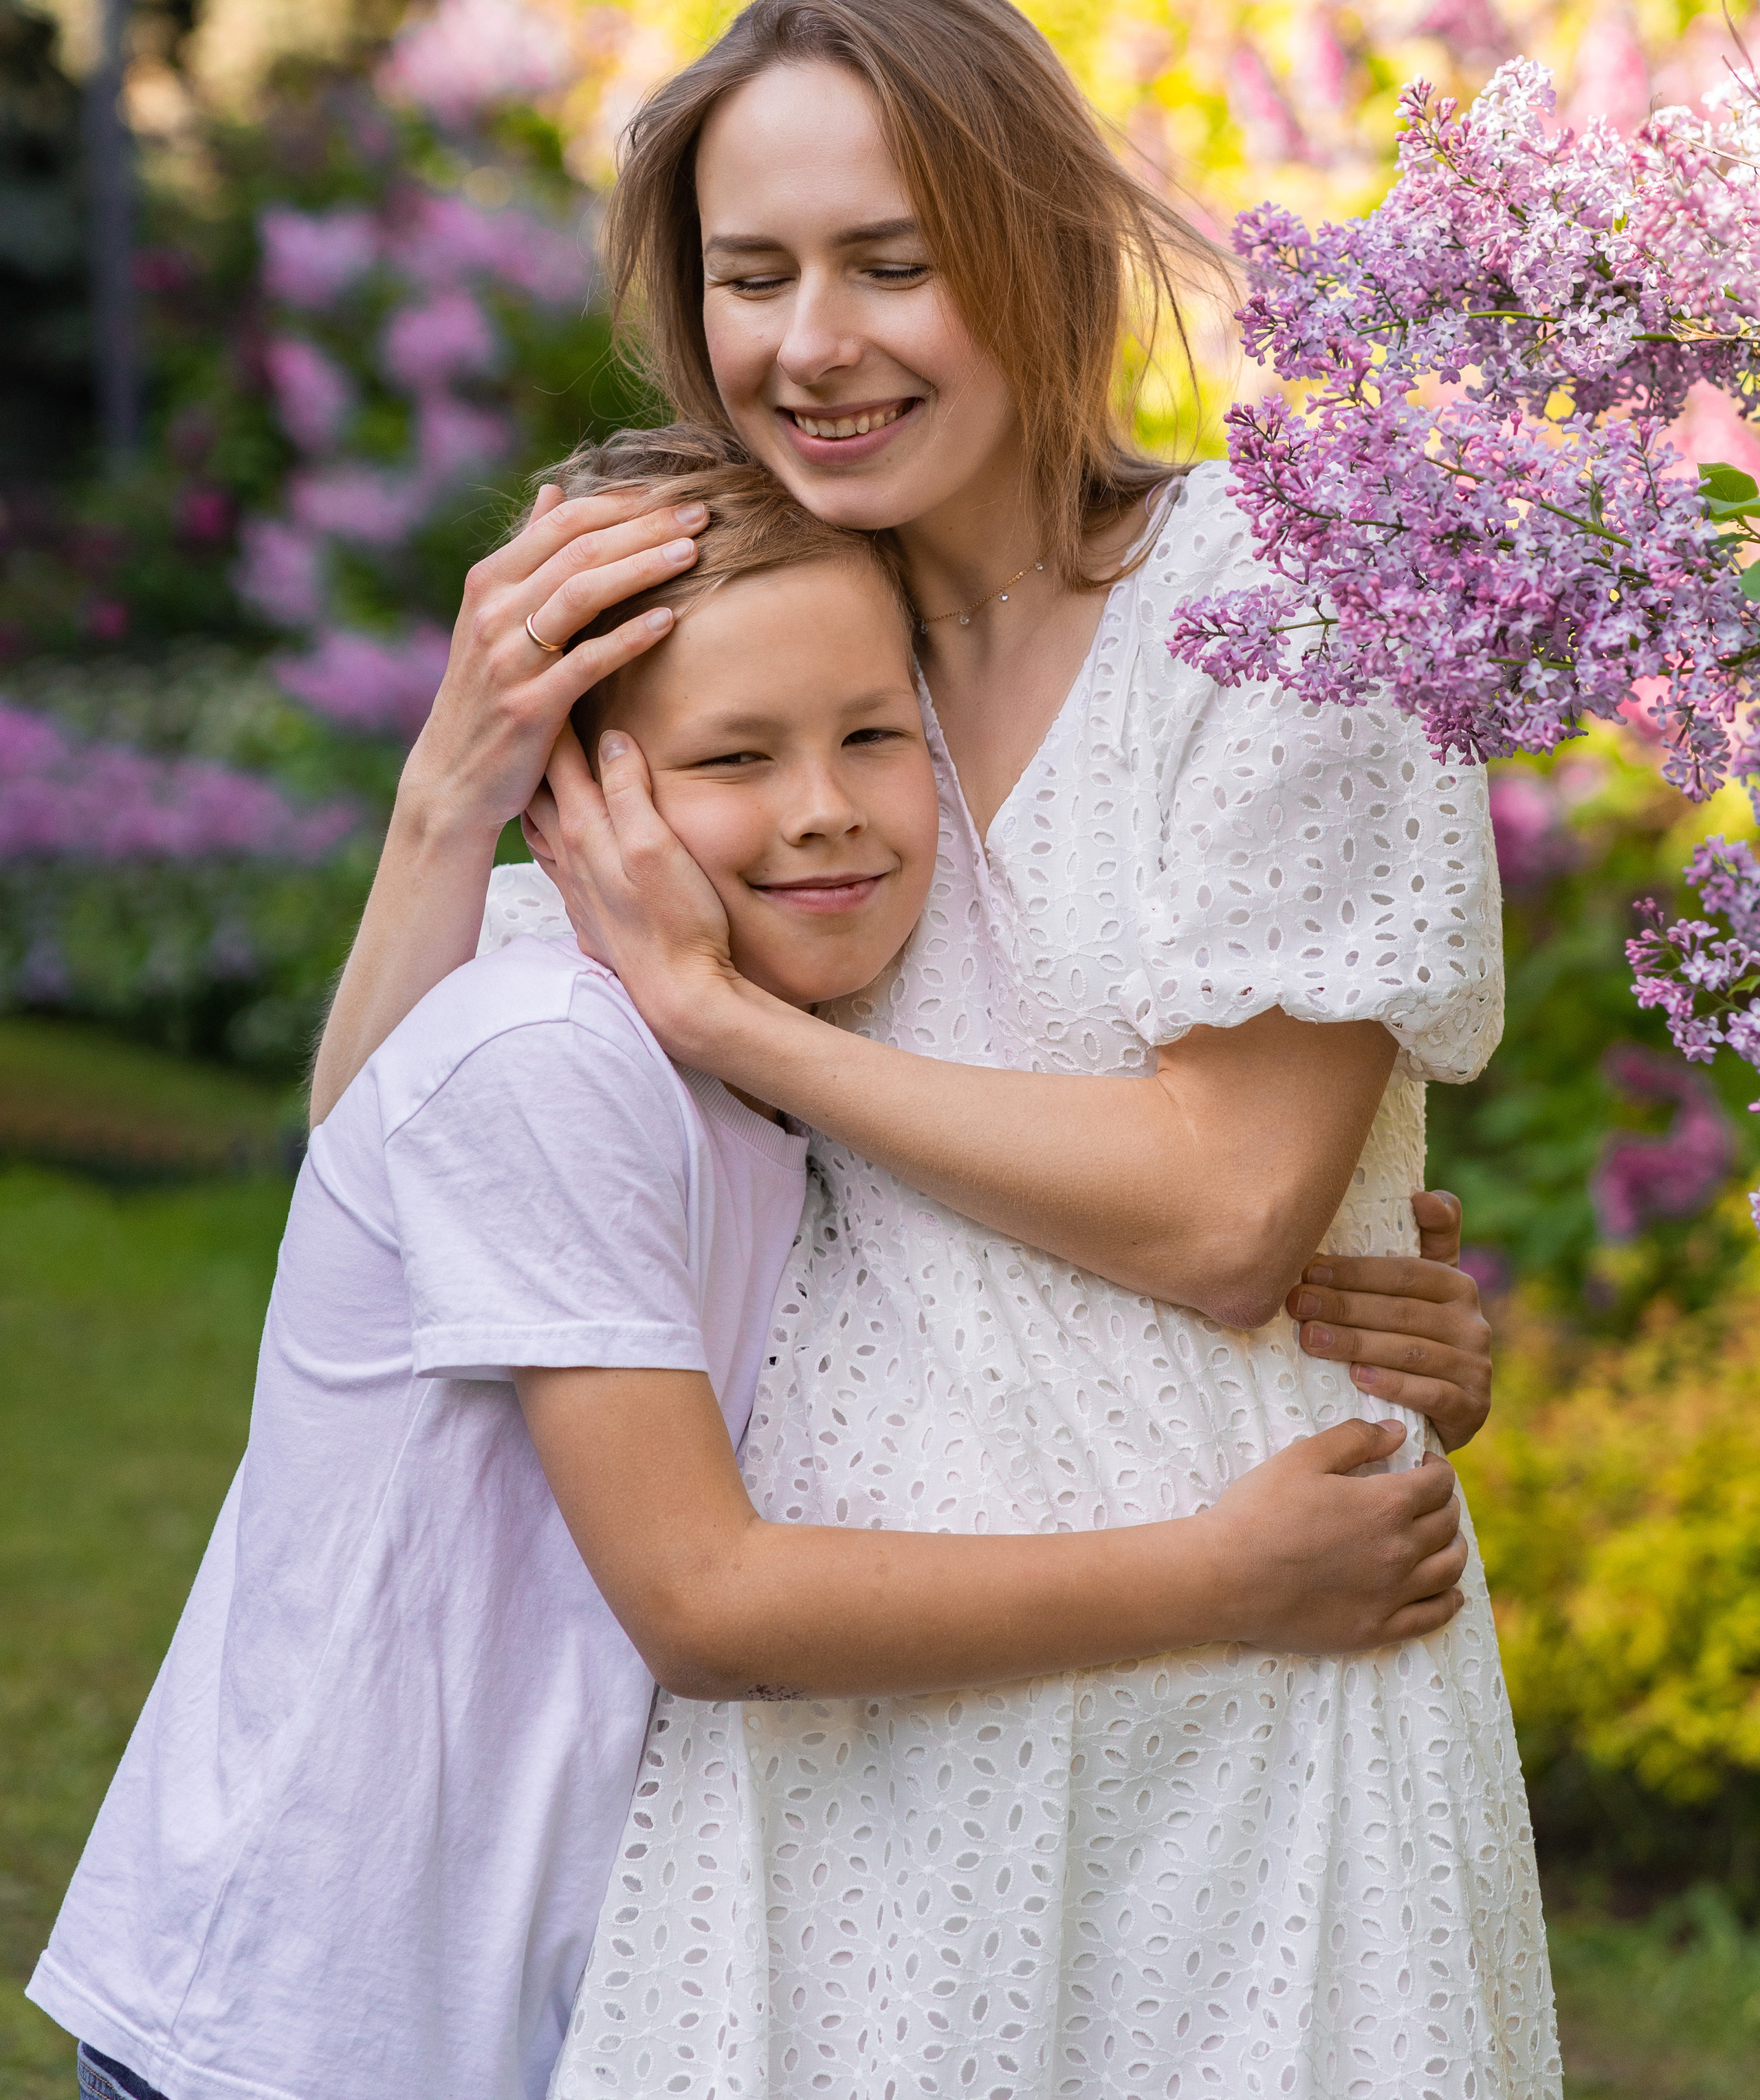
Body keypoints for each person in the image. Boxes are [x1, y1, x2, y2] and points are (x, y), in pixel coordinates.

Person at [309, 0, 1553, 2096]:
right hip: (847, 1722)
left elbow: (1229, 1217)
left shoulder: (1279, 607)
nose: (814, 344)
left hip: (1255, 1691)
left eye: (895, 263)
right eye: (752, 272)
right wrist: (450, 789)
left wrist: (736, 1023)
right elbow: (400, 1168)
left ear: (1040, 252)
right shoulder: (754, 640)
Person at [28, 439, 1471, 2100]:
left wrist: (1348, 1281)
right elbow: (704, 1603)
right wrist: (1221, 1575)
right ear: (582, 796)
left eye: (873, 736)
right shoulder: (551, 1046)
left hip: (547, 2002)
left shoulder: (781, 1060)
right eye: (733, 756)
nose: (823, 810)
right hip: (306, 2025)